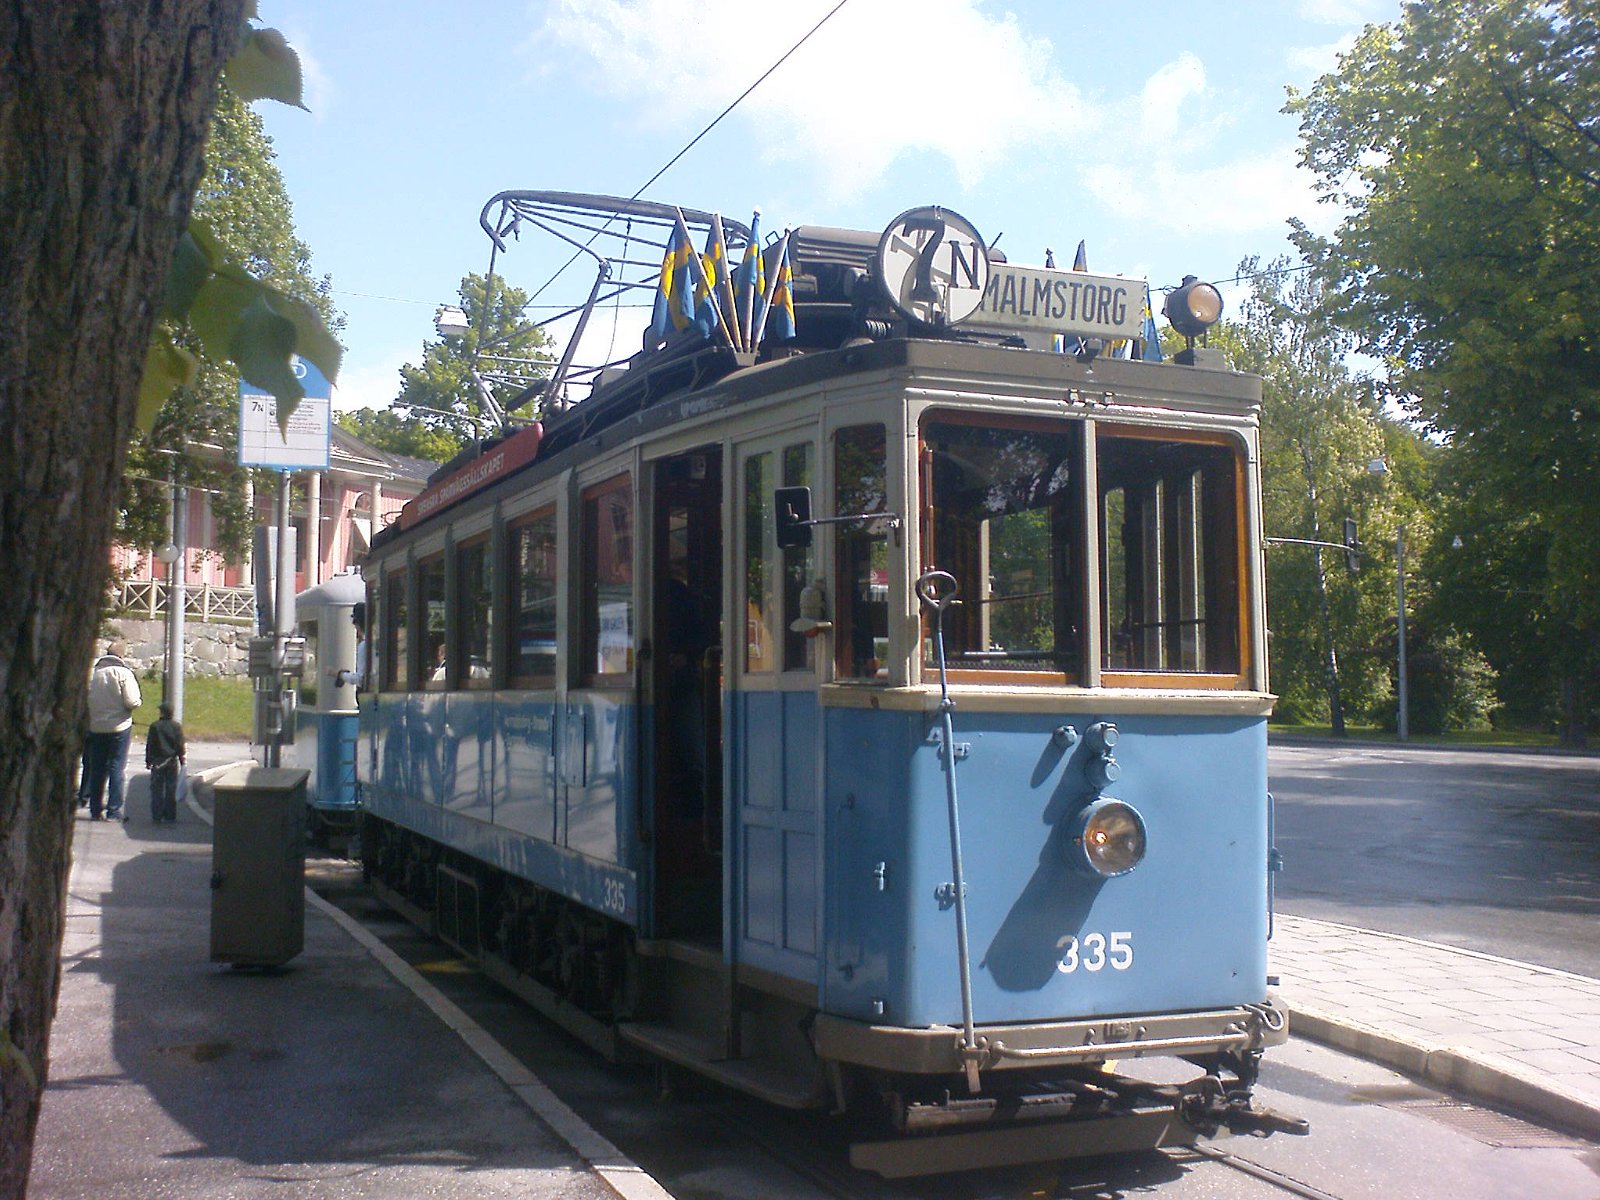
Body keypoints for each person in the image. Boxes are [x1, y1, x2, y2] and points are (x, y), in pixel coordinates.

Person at [84, 639, 142, 821]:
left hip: (96, 726)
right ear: (121, 655)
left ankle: (95, 809)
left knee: (97, 768)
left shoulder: (94, 674)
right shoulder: (124, 674)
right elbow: (132, 701)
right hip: (119, 726)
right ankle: (114, 810)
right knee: (116, 767)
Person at [144, 702, 186, 823]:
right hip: (172, 761)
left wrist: (148, 760)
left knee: (157, 789)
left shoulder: (155, 726)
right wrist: (182, 759)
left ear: (162, 712)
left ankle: (157, 814)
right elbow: (180, 745)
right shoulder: (176, 727)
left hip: (158, 761)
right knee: (170, 788)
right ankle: (170, 815)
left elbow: (150, 745)